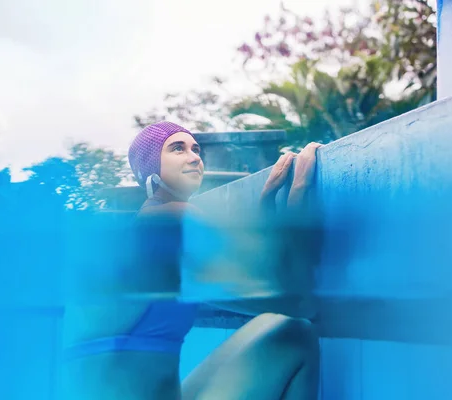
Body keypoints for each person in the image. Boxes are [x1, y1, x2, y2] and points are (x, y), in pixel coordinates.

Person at [62, 121, 323, 400]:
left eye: (196, 149)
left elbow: (253, 283)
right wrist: (298, 195)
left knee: (282, 325)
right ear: (150, 168)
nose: (194, 156)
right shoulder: (174, 216)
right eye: (177, 148)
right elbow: (293, 300)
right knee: (295, 333)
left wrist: (268, 206)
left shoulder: (144, 229)